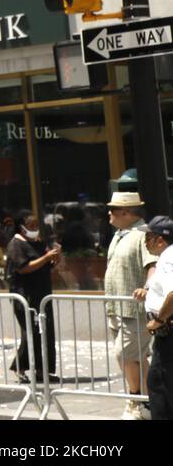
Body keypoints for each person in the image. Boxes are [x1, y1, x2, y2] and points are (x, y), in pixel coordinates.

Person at [103, 178, 157, 420]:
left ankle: (135, 402)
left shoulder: (142, 234)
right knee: (135, 357)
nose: (109, 213)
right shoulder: (120, 233)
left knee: (124, 354)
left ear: (125, 212)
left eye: (113, 210)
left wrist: (147, 286)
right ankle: (148, 402)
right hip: (117, 307)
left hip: (134, 308)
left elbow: (153, 264)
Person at [4, 213, 59, 383]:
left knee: (47, 332)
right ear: (22, 227)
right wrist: (45, 258)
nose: (35, 230)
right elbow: (23, 268)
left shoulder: (38, 242)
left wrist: (56, 255)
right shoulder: (16, 244)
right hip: (24, 295)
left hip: (42, 294)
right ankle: (20, 367)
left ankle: (43, 370)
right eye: (32, 226)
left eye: (37, 226)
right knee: (31, 333)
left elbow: (49, 265)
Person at [137, 216, 173, 420]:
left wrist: (159, 320)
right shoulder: (166, 257)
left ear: (161, 239)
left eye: (148, 237)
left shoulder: (169, 257)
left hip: (168, 332)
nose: (145, 241)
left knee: (160, 389)